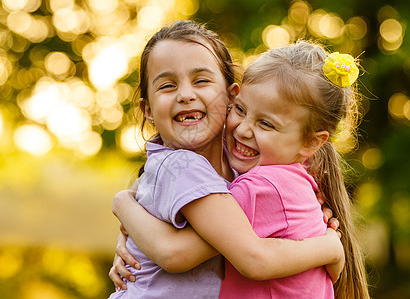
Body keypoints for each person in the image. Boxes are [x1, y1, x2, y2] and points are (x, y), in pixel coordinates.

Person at [109, 20, 344, 299]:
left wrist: (127, 203)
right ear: (147, 109)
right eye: (168, 85)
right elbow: (176, 253)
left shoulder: (245, 160)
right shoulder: (184, 165)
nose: (186, 95)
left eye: (201, 80)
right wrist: (329, 247)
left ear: (230, 96)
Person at [216, 41, 370, 298]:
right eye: (240, 109)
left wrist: (126, 205)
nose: (242, 129)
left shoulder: (260, 188)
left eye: (266, 124)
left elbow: (174, 251)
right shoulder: (295, 177)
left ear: (310, 142)